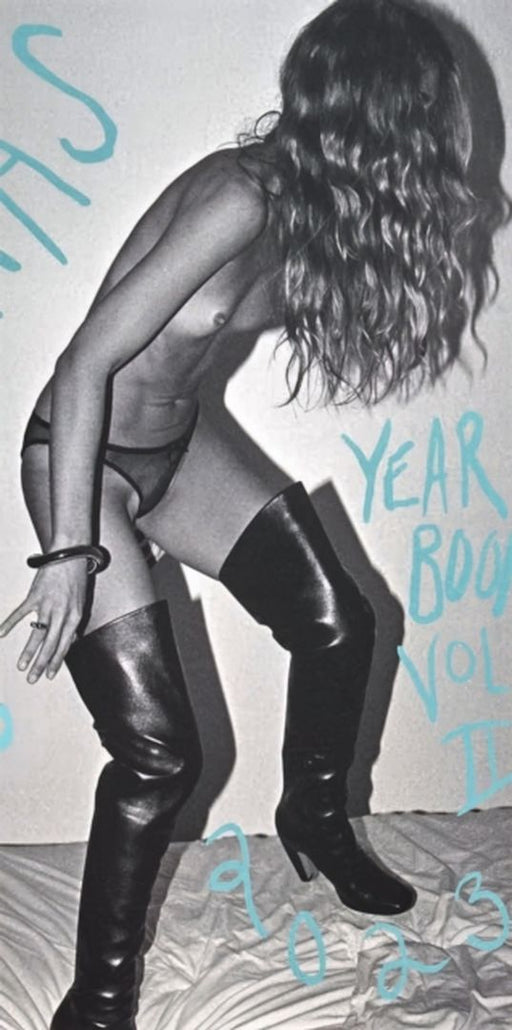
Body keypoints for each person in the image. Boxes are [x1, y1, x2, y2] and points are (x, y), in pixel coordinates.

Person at [0, 1, 487, 1027]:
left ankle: (313, 818)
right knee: (160, 754)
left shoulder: (322, 215)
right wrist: (70, 551)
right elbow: (83, 363)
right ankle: (97, 999)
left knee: (340, 621)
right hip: (83, 453)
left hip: (179, 450)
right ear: (380, 118)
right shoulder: (238, 196)